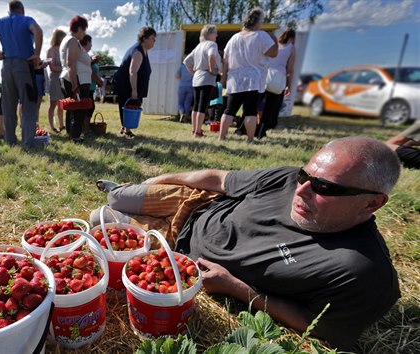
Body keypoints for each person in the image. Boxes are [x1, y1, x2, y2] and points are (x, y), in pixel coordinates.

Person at [92, 136, 400, 351]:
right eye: (305, 175)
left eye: (323, 187)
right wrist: (160, 181)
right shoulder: (288, 179)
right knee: (117, 197)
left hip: (173, 244)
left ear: (372, 203)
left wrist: (233, 287)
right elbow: (218, 180)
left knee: (99, 218)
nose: (301, 190)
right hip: (196, 201)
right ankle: (120, 190)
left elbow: (319, 328)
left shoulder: (362, 273)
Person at [0, 0, 43, 149]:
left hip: (6, 67)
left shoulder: (0, 22)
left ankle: (11, 141)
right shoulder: (27, 20)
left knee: (8, 106)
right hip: (23, 66)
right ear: (22, 10)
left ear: (9, 11)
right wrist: (37, 54)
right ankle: (27, 144)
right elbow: (38, 31)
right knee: (28, 105)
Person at [219, 8, 278, 143]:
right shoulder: (261, 35)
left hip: (235, 78)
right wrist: (273, 39)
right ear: (257, 22)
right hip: (253, 78)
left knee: (229, 110)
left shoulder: (234, 37)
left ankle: (221, 137)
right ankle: (250, 139)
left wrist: (223, 77)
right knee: (250, 110)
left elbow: (225, 59)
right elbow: (273, 53)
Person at [113, 26, 156, 138]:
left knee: (132, 105)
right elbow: (132, 72)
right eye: (152, 38)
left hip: (131, 85)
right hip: (127, 85)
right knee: (130, 105)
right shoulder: (138, 52)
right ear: (144, 38)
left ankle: (125, 128)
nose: (154, 41)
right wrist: (134, 90)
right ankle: (126, 130)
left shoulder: (144, 51)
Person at [184, 24, 221, 137]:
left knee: (196, 105)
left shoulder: (199, 46)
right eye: (215, 33)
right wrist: (211, 69)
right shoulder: (212, 44)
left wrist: (193, 72)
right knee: (202, 106)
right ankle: (198, 132)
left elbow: (186, 61)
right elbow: (211, 56)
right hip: (207, 77)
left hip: (197, 78)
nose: (217, 35)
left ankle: (194, 130)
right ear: (209, 34)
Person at [258, 28, 295, 138]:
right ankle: (261, 131)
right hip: (278, 79)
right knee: (270, 107)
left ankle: (244, 128)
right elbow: (290, 69)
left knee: (255, 103)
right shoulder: (292, 48)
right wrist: (289, 85)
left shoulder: (273, 44)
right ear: (292, 38)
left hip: (265, 75)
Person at [58, 15, 91, 143]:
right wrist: (74, 86)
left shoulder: (67, 39)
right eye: (84, 30)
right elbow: (71, 63)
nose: (84, 33)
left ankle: (71, 134)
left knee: (72, 108)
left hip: (69, 77)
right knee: (79, 109)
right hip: (76, 79)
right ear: (78, 28)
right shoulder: (72, 41)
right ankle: (75, 136)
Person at [79, 34, 104, 135]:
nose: (91, 45)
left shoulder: (86, 55)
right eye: (90, 43)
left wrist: (93, 59)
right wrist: (99, 81)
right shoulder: (82, 54)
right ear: (86, 43)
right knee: (88, 108)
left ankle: (85, 128)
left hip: (91, 87)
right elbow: (90, 72)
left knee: (89, 107)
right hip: (87, 86)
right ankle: (85, 129)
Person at [46, 29, 66, 133]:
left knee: (61, 104)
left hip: (62, 79)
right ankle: (52, 126)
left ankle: (62, 125)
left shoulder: (62, 50)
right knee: (53, 103)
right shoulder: (51, 50)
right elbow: (53, 67)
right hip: (54, 79)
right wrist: (66, 69)